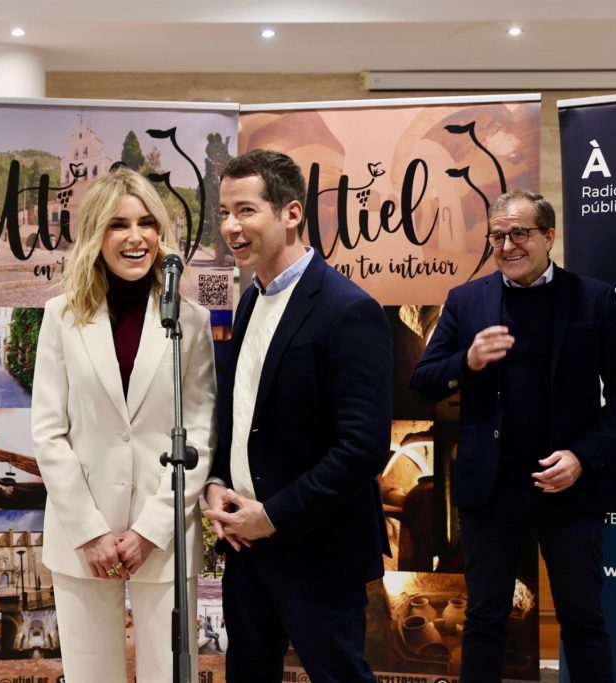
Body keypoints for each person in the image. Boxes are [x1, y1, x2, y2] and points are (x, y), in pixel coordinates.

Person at [409, 189, 616, 682]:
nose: (507, 245)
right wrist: (467, 361)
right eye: (497, 236)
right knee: (484, 619)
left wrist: (582, 457)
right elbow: (423, 381)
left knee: (583, 619)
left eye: (520, 233)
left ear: (549, 236)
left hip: (567, 484)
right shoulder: (465, 300)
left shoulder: (595, 298)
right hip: (490, 487)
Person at [204, 149, 392, 683]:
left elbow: (361, 449)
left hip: (318, 552)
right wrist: (216, 481)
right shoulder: (249, 301)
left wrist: (273, 516)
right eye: (225, 212)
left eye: (246, 210)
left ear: (291, 213)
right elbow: (241, 411)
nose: (230, 227)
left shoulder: (348, 309)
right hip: (246, 547)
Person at [30, 167, 216, 683]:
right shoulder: (61, 316)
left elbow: (198, 437)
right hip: (81, 537)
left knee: (171, 675)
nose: (136, 237)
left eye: (146, 223)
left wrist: (151, 530)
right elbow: (48, 432)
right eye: (118, 224)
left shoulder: (191, 321)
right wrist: (90, 531)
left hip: (164, 535)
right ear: (96, 234)